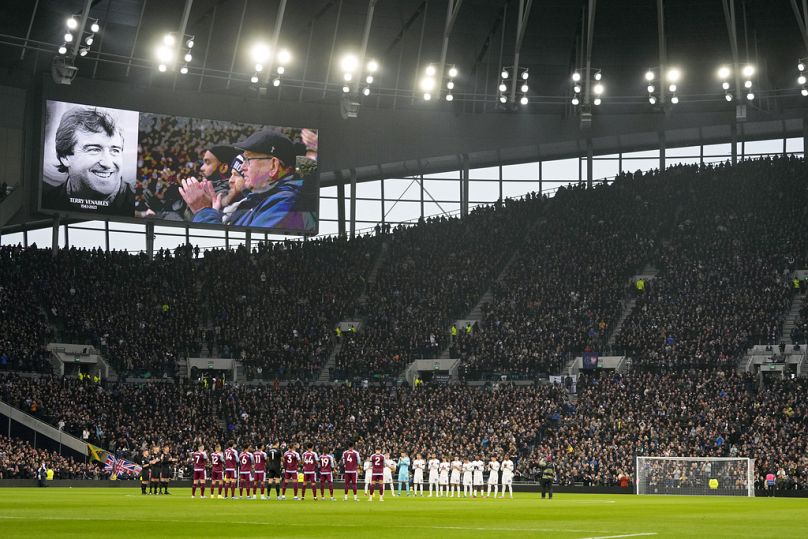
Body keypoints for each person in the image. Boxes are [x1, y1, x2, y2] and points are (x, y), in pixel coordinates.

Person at [180, 130, 316, 231]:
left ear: (273, 166)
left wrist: (203, 211)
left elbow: (235, 252)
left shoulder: (286, 204)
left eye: (248, 160)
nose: (242, 167)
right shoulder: (264, 199)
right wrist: (213, 212)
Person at [43, 107, 146, 217]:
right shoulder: (46, 201)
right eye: (94, 149)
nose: (107, 163)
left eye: (115, 150)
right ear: (65, 157)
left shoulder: (142, 208)